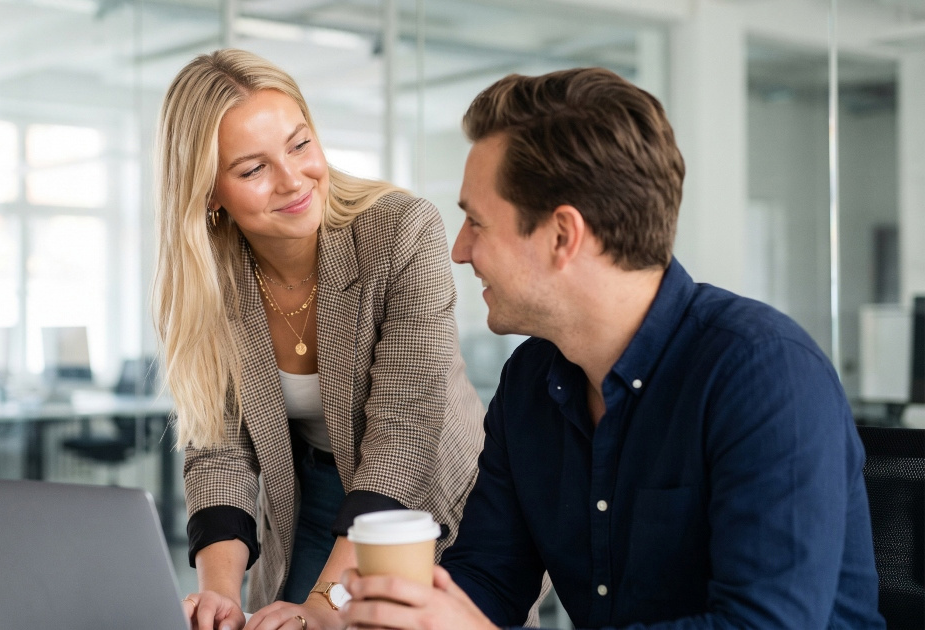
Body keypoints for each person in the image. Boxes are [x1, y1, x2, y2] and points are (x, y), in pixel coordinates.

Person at [340, 68, 884, 629]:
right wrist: (406, 612)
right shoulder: (530, 380)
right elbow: (490, 575)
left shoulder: (765, 373)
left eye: (476, 221)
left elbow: (764, 625)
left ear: (562, 236)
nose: (459, 250)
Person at [154, 49, 506, 630]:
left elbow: (403, 439)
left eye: (299, 144)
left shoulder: (400, 230)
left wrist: (322, 607)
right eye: (252, 169)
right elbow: (217, 449)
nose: (294, 180)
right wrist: (220, 595)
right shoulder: (206, 279)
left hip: (426, 498)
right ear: (209, 194)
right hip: (307, 496)